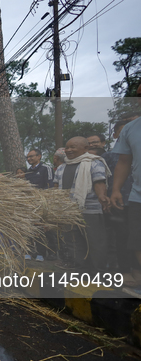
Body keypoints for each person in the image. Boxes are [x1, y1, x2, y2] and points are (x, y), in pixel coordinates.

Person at [54, 136, 111, 271]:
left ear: (86, 148)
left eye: (73, 147)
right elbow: (56, 189)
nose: (68, 150)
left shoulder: (94, 163)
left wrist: (102, 196)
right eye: (67, 147)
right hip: (68, 212)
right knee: (73, 242)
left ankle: (98, 272)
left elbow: (99, 182)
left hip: (89, 210)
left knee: (95, 242)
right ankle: (81, 270)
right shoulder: (61, 168)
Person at [111, 84, 141, 291]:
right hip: (138, 195)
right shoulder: (131, 129)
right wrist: (115, 190)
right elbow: (123, 162)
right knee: (137, 241)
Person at [102, 115, 139, 276]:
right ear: (116, 135)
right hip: (125, 200)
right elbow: (104, 179)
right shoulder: (109, 156)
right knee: (126, 238)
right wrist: (111, 194)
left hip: (133, 197)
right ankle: (126, 270)